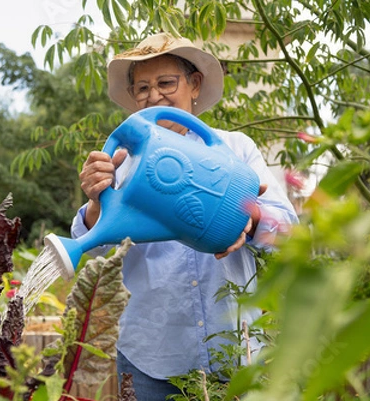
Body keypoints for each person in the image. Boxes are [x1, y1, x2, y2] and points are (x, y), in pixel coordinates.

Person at [70, 33, 299, 400]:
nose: (153, 95)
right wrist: (97, 203)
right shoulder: (118, 167)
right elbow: (96, 257)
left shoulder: (236, 150)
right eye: (141, 88)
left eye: (165, 82)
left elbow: (288, 232)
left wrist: (251, 220)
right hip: (152, 356)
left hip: (237, 352)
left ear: (194, 85)